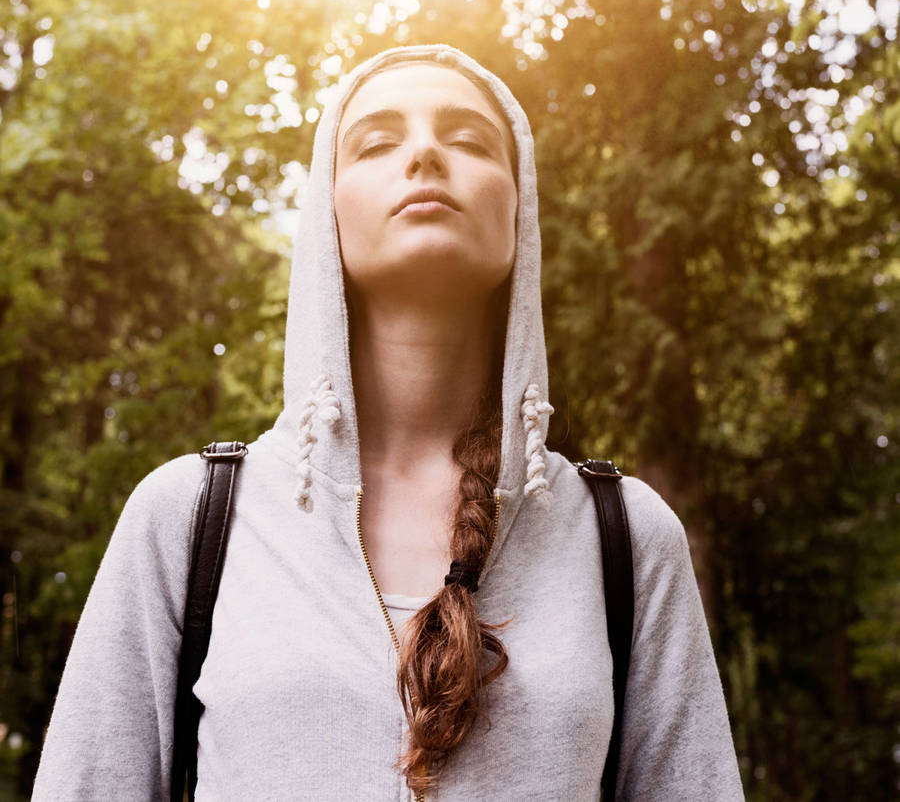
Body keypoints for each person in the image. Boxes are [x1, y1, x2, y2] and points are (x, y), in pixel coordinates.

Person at [32, 44, 744, 801]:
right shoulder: (188, 519)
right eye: (376, 142)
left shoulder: (625, 538)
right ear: (327, 210)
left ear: (519, 208)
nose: (427, 153)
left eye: (470, 140)